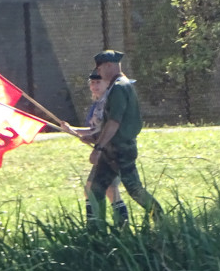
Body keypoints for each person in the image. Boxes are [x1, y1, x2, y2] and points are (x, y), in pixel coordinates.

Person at [85, 49, 162, 223]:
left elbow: (114, 122)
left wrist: (98, 148)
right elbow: (109, 123)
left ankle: (160, 217)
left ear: (109, 66)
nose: (97, 72)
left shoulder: (119, 88)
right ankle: (96, 232)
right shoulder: (117, 86)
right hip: (111, 149)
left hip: (120, 150)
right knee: (96, 189)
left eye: (99, 68)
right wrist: (95, 137)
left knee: (134, 189)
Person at [62, 69, 129, 228]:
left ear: (108, 84)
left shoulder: (109, 103)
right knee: (103, 189)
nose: (94, 86)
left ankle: (100, 227)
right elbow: (94, 130)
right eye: (92, 82)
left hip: (114, 152)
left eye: (98, 82)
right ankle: (108, 226)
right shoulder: (97, 104)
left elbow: (109, 128)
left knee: (102, 188)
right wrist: (71, 130)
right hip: (104, 153)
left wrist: (95, 141)